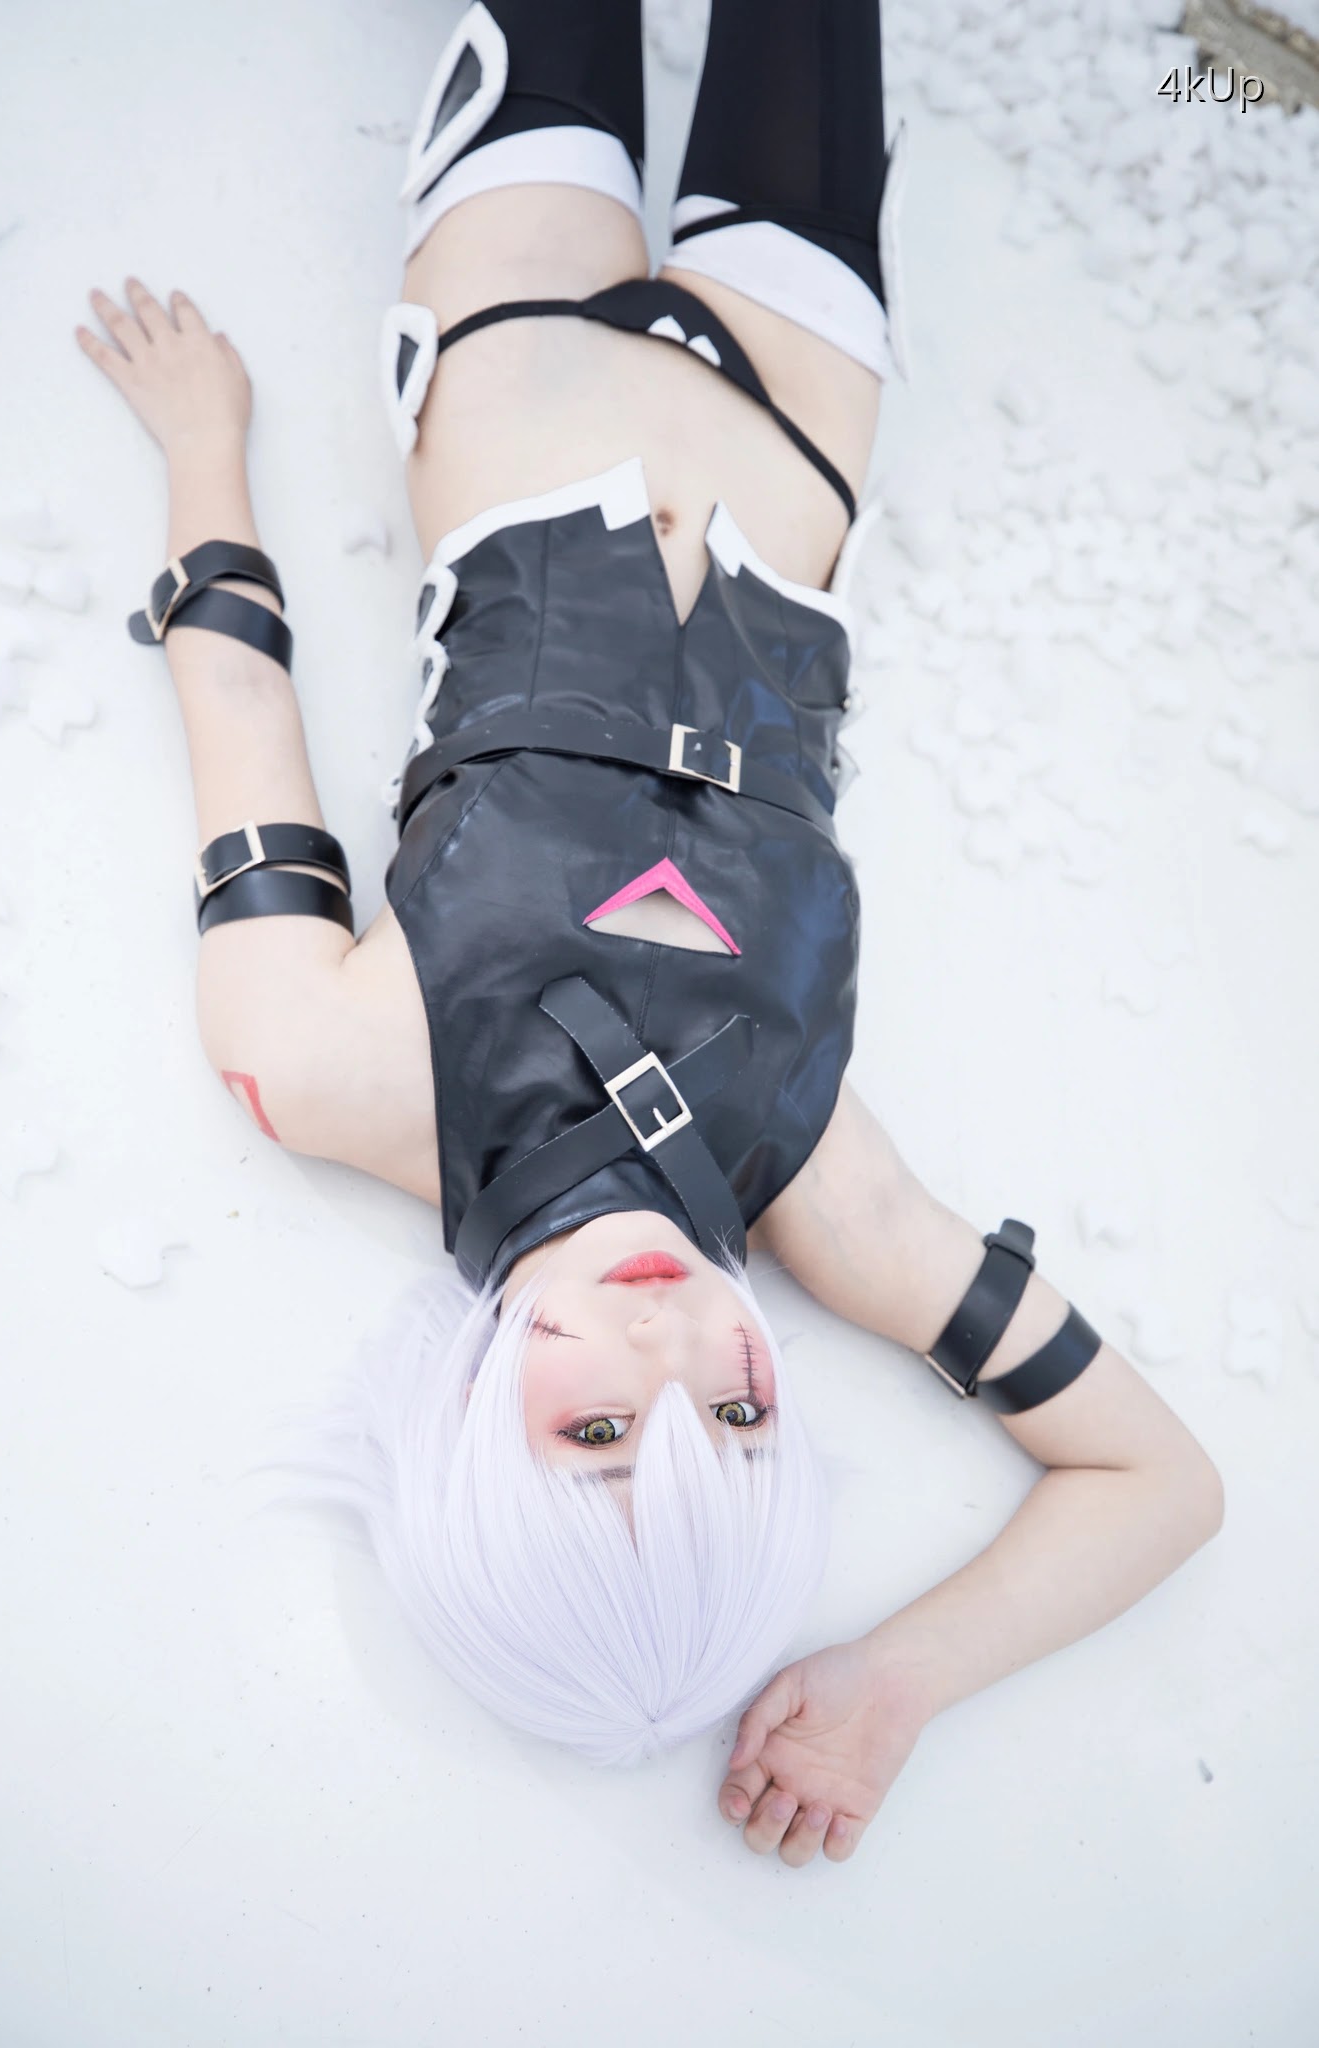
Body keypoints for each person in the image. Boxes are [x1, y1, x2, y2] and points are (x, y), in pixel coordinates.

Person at [75, 0, 1224, 1868]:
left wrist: (205, 446)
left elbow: (237, 705)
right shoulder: (816, 1186)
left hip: (513, 348)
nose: (674, 1345)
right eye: (736, 1422)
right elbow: (1158, 1482)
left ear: (472, 1451)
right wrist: (891, 1683)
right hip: (800, 406)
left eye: (598, 1438)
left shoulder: (332, 1070)